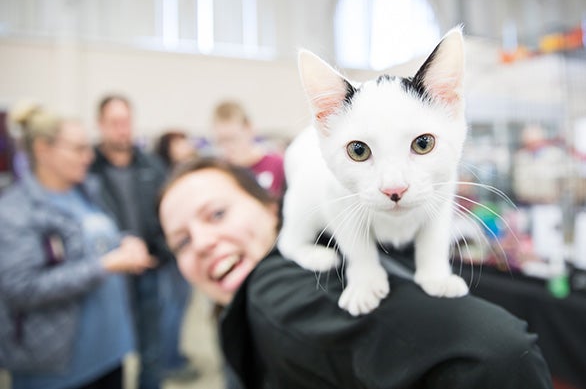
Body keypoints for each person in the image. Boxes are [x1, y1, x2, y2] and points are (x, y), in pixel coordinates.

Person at [158, 158, 554, 389]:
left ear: (271, 207)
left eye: (216, 214)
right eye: (181, 242)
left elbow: (497, 352)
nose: (203, 241)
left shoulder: (273, 293)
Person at [0, 103, 155, 389]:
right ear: (43, 150)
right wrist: (104, 266)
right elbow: (22, 288)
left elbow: (91, 240)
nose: (88, 156)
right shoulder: (14, 212)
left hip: (109, 351)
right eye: (78, 149)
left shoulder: (86, 192)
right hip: (57, 366)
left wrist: (123, 241)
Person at [88, 95, 169, 389]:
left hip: (148, 270)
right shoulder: (87, 170)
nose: (122, 129)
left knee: (151, 350)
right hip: (106, 275)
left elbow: (166, 212)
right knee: (108, 352)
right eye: (114, 123)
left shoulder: (152, 166)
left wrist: (161, 254)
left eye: (126, 122)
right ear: (101, 125)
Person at [153, 130, 200, 382]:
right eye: (179, 141)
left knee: (179, 307)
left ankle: (173, 356)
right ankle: (170, 362)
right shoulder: (164, 176)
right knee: (173, 308)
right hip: (170, 257)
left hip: (179, 253)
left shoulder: (180, 172)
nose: (186, 145)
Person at [212, 101, 285, 198]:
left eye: (232, 139)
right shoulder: (220, 172)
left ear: (249, 128)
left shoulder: (277, 164)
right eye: (221, 141)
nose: (227, 147)